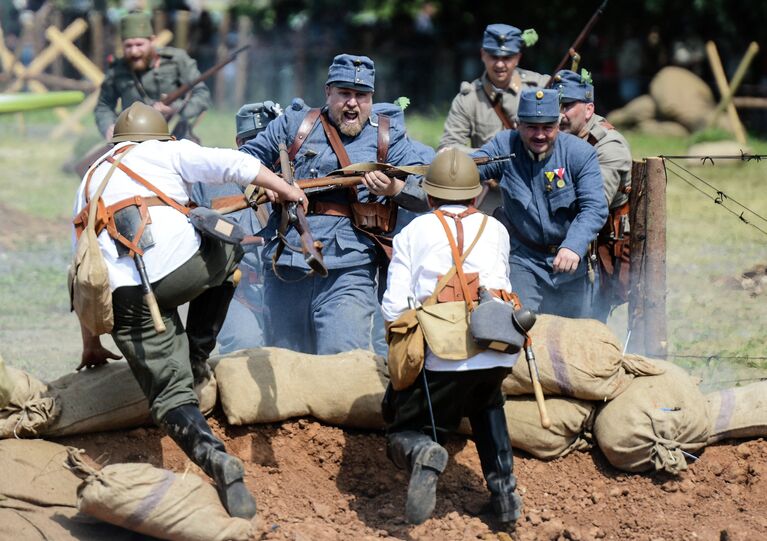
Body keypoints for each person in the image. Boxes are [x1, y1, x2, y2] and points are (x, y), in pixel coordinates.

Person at [72, 102, 305, 519]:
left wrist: (91, 343)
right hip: (183, 272)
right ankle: (197, 356)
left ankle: (217, 462)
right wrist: (287, 190)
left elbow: (82, 273)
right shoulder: (169, 150)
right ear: (161, 135)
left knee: (170, 397)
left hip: (123, 298)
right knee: (229, 245)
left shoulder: (90, 178)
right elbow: (235, 163)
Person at [240, 53, 429, 355]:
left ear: (371, 98)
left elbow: (425, 193)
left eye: (361, 95)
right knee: (285, 364)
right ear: (328, 92)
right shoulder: (293, 125)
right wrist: (269, 182)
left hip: (349, 271)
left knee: (342, 363)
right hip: (287, 264)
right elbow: (244, 159)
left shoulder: (387, 137)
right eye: (344, 94)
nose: (353, 103)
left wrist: (394, 188)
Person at [381, 149, 522, 526]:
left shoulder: (411, 233)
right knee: (488, 403)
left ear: (428, 197)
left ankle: (425, 451)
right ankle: (506, 498)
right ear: (476, 196)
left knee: (402, 429)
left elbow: (394, 309)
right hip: (498, 348)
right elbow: (502, 286)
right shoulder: (496, 229)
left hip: (442, 355)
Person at [474, 88, 608, 318]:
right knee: (519, 323)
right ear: (518, 125)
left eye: (547, 127)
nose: (539, 135)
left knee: (574, 334)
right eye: (531, 127)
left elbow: (594, 207)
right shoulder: (505, 146)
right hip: (522, 259)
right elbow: (468, 167)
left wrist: (573, 246)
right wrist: (436, 167)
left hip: (570, 264)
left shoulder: (580, 154)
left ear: (558, 125)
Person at [190, 101, 284, 353]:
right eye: (251, 141)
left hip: (284, 287)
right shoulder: (208, 182)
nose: (260, 149)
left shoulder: (296, 181)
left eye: (267, 140)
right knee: (245, 343)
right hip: (232, 289)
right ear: (238, 143)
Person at [554, 69, 633, 322]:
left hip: (598, 252)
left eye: (566, 106)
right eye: (554, 106)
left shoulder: (608, 146)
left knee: (586, 328)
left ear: (588, 110)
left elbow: (592, 205)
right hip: (561, 239)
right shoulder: (556, 136)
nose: (559, 115)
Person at [94, 11, 211, 141]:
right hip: (134, 139)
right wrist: (109, 126)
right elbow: (104, 105)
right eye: (128, 46)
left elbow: (201, 94)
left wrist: (175, 109)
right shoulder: (117, 69)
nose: (134, 52)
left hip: (176, 135)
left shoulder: (177, 60)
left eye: (139, 44)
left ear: (152, 40)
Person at [439, 23, 549, 154]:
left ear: (518, 58)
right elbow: (447, 147)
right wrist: (488, 155)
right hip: (489, 172)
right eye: (494, 57)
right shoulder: (469, 98)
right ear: (482, 55)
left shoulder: (540, 87)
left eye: (507, 58)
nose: (500, 64)